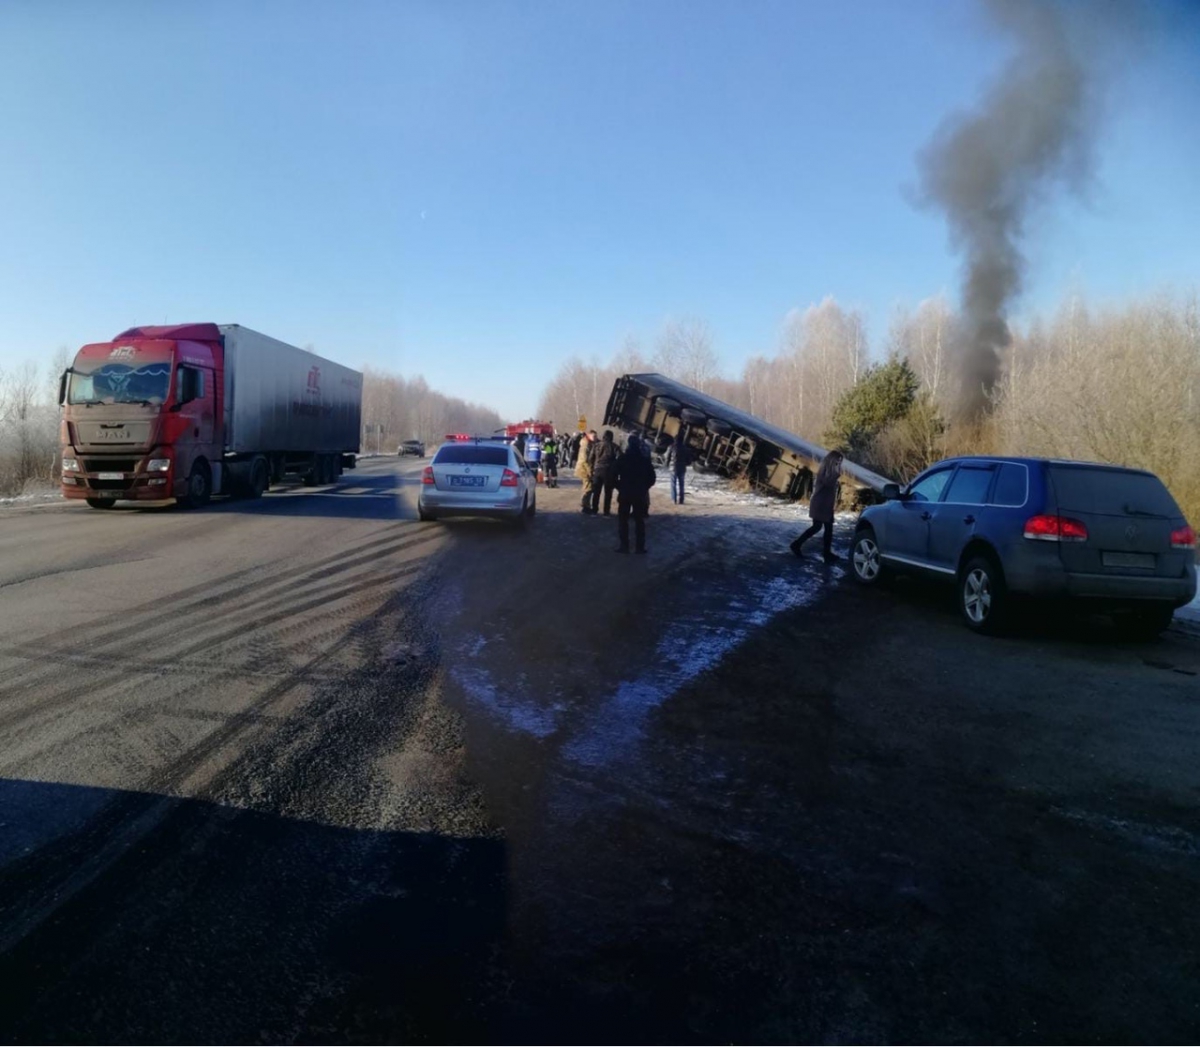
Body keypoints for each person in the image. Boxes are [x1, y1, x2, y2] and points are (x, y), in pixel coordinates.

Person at [790, 450, 844, 563]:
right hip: (820, 504)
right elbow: (827, 483)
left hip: (826, 504)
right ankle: (798, 545)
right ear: (832, 460)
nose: (839, 464)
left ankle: (825, 553)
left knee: (825, 528)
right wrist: (837, 474)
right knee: (819, 527)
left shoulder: (830, 471)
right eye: (837, 461)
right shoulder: (825, 470)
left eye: (840, 462)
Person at [614, 433, 657, 553]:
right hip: (639, 494)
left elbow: (612, 474)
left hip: (625, 493)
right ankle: (640, 547)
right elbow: (652, 478)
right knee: (639, 521)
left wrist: (619, 486)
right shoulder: (644, 460)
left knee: (623, 520)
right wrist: (644, 487)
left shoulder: (623, 458)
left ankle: (624, 546)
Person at [589, 429, 619, 515]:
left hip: (597, 470)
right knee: (608, 493)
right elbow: (620, 459)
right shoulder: (615, 446)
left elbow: (591, 458)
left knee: (596, 492)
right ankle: (606, 512)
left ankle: (594, 510)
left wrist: (592, 469)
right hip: (609, 471)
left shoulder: (596, 445)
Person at [666, 430, 691, 505]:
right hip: (682, 468)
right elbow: (689, 460)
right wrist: (686, 464)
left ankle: (674, 499)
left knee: (673, 484)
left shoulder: (671, 447)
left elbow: (667, 457)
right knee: (681, 484)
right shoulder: (685, 448)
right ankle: (681, 500)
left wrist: (667, 465)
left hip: (673, 468)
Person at [576, 429, 597, 513]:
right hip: (583, 469)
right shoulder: (586, 444)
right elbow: (585, 460)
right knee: (588, 487)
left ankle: (586, 505)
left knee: (588, 487)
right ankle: (585, 506)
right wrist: (590, 471)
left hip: (583, 468)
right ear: (589, 435)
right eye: (594, 436)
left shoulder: (588, 443)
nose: (595, 438)